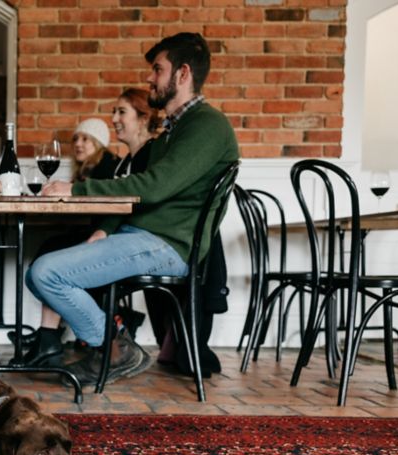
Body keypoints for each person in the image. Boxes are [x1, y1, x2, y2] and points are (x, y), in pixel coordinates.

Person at [29, 32, 240, 387]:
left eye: (157, 69)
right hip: (139, 236)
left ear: (183, 74)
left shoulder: (207, 125)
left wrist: (78, 189)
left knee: (46, 273)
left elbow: (154, 186)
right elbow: (139, 189)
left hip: (168, 245)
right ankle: (110, 349)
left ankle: (114, 350)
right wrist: (106, 229)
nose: (149, 78)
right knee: (34, 274)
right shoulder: (172, 132)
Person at [20, 96, 158, 371]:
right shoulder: (114, 164)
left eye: (86, 139)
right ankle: (50, 337)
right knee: (47, 255)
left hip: (127, 238)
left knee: (51, 253)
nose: (80, 144)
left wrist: (102, 228)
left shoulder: (111, 163)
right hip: (112, 232)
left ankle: (87, 339)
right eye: (77, 139)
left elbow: (129, 200)